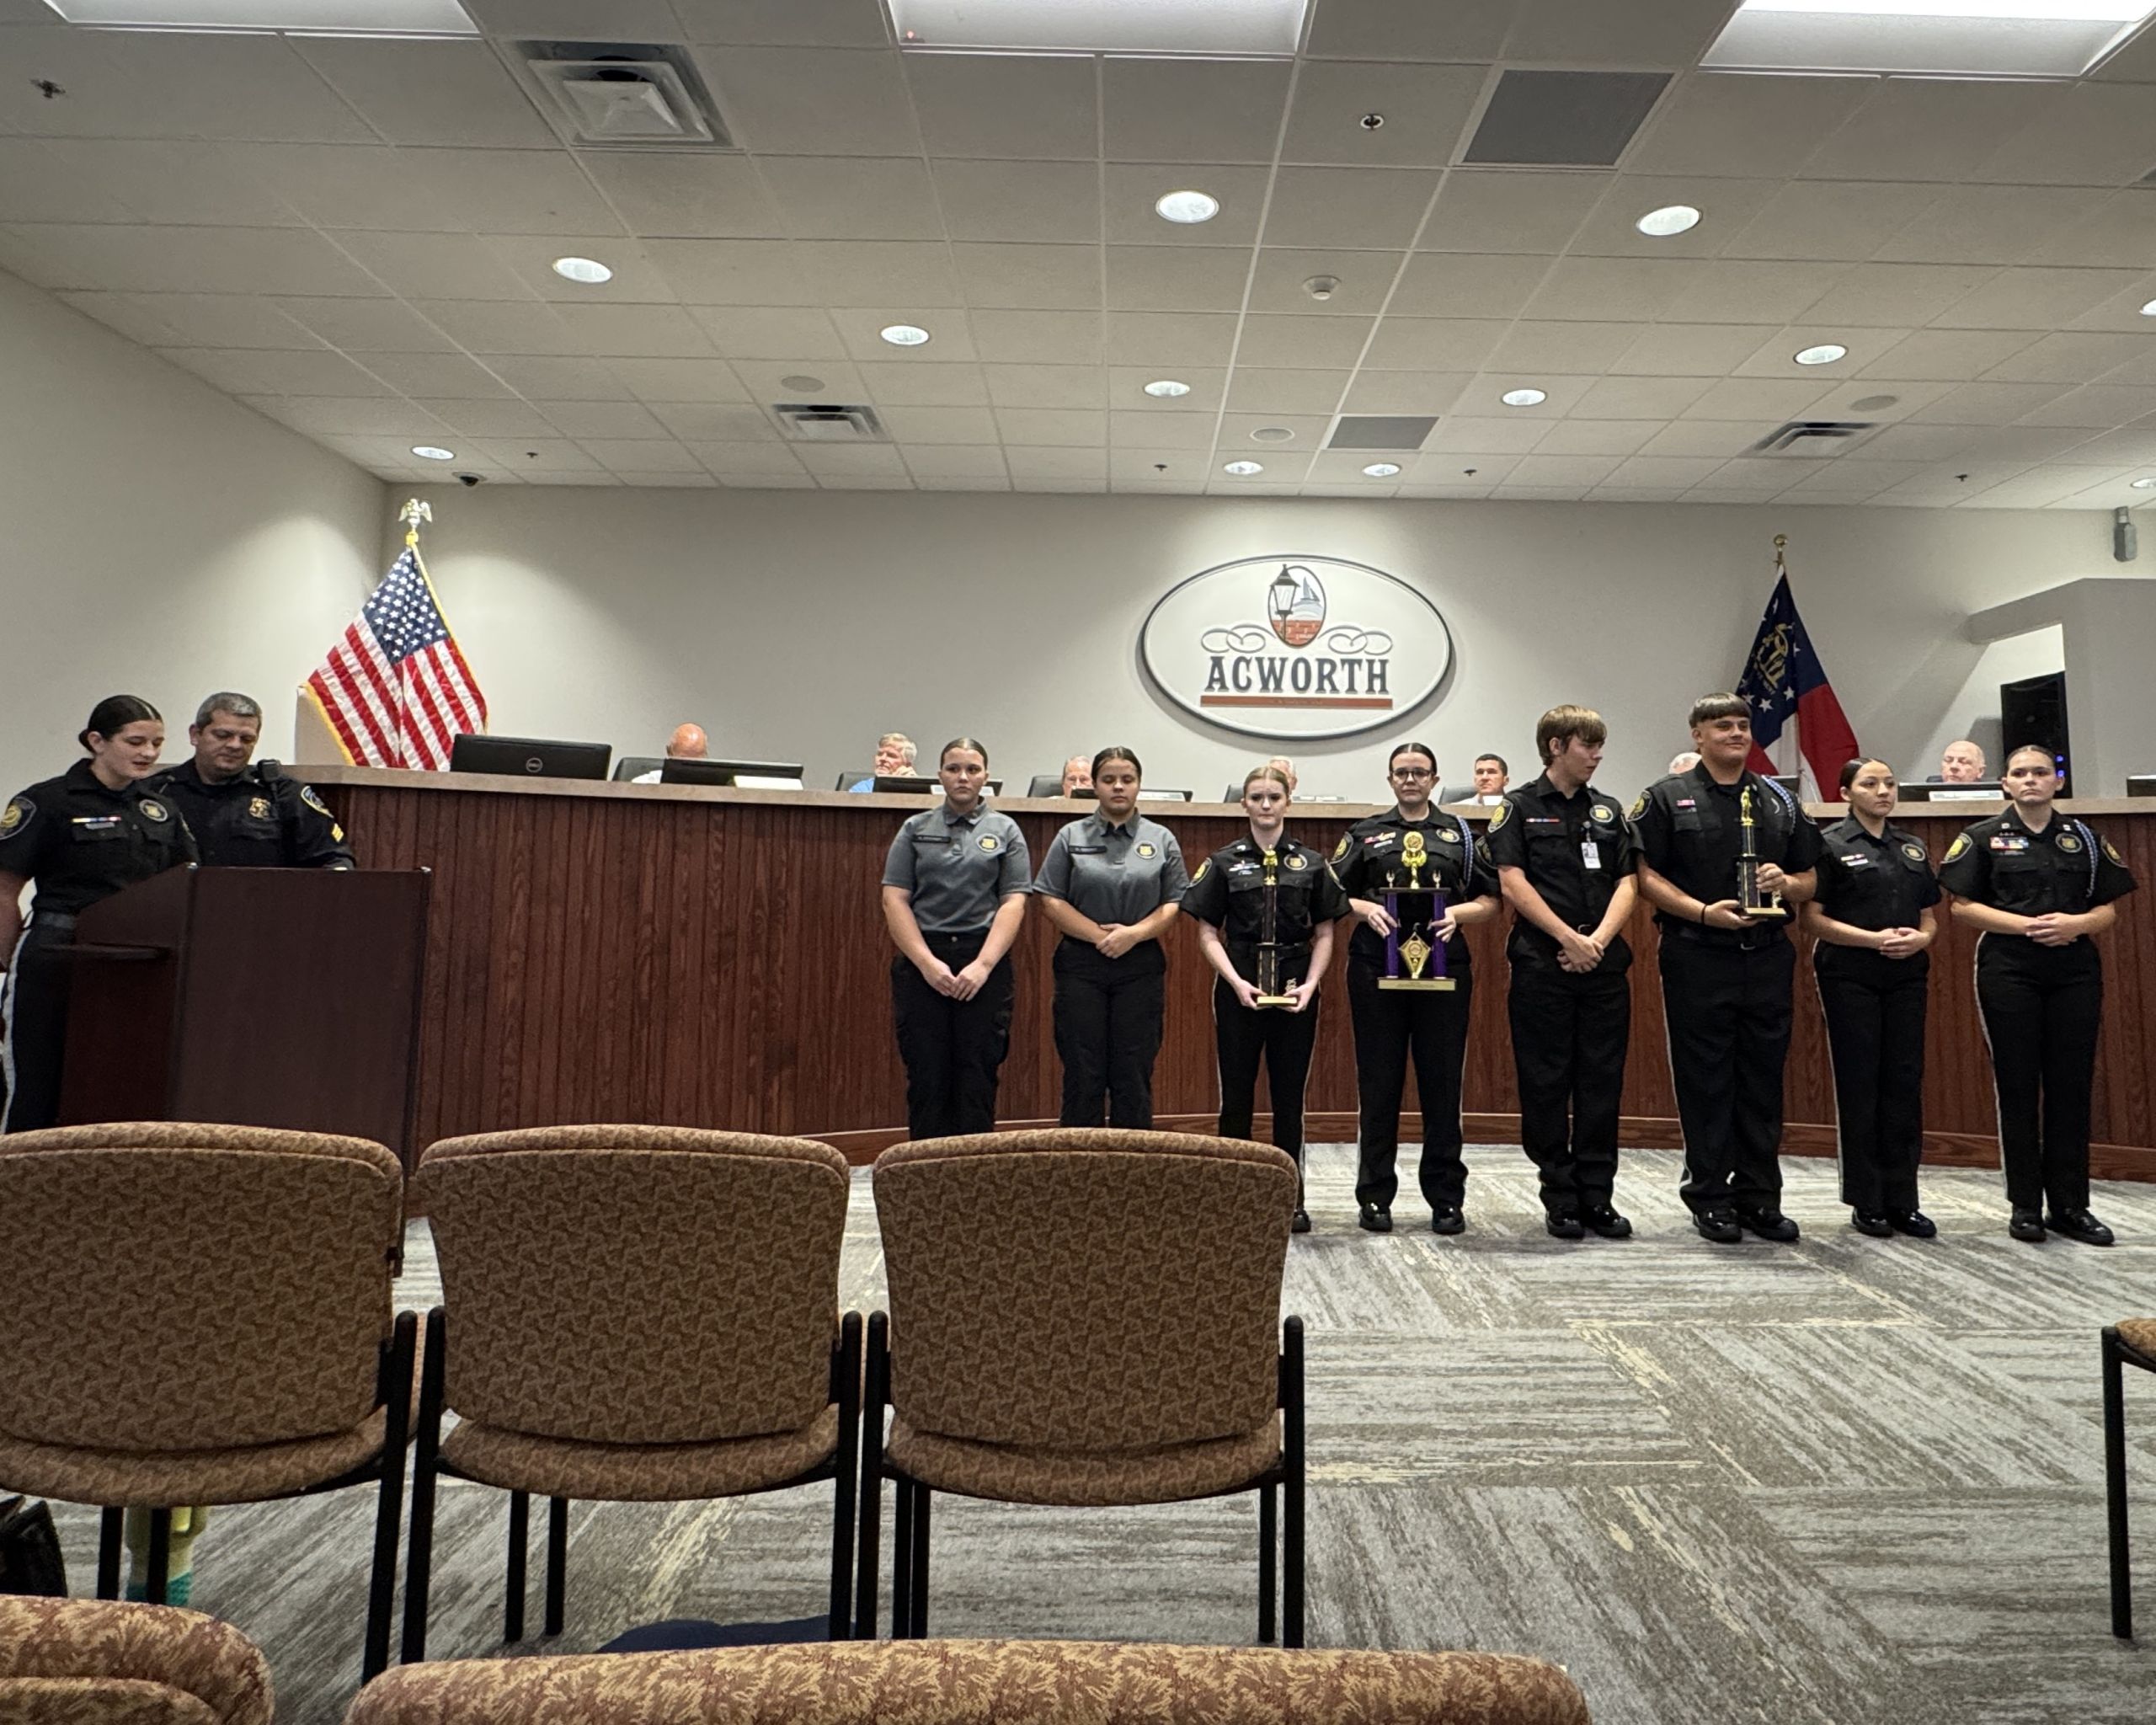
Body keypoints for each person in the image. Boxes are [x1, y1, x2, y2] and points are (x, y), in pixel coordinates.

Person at [1632, 693, 1822, 1243]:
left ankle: (1761, 1197)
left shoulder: (1779, 801)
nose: (1736, 734)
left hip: (1766, 955)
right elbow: (1644, 876)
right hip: (1697, 953)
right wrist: (1701, 912)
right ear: (1697, 735)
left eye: (1743, 725)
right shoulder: (1667, 799)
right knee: (1706, 1080)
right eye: (1723, 726)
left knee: (1763, 1080)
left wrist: (1785, 885)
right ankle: (1710, 1196)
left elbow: (1812, 877)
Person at [1938, 742, 2137, 1245]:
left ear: (2057, 782)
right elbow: (1961, 907)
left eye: (2041, 772)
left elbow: (2108, 911)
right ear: (2004, 783)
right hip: (2010, 968)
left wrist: (2077, 923)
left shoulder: (2086, 840)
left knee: (2072, 1086)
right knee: (2018, 1084)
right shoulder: (1981, 837)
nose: (2030, 779)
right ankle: (2025, 1204)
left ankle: (2071, 1204)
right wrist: (2028, 927)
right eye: (2020, 773)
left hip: (2074, 968)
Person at [0, 697, 199, 1134]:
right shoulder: (48, 801)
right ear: (97, 741)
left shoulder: (161, 808)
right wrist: (7, 954)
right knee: (36, 1080)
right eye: (136, 742)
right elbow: (5, 884)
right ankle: (16, 1187)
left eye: (157, 743)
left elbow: (186, 879)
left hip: (139, 961)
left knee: (117, 1077)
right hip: (57, 952)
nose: (148, 753)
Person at [1331, 743, 1500, 1235]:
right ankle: (1375, 1196)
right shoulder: (1365, 834)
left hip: (1444, 971)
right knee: (1378, 1085)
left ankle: (1446, 1197)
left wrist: (1457, 915)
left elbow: (1491, 900)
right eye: (1401, 773)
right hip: (1375, 970)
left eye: (1419, 773)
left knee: (1443, 1085)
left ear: (1433, 778)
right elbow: (1332, 893)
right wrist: (1366, 910)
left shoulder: (1462, 835)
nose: (1410, 780)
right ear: (1390, 781)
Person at [1484, 706, 1638, 1241]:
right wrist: (1566, 938)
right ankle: (1560, 1194)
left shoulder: (1610, 811)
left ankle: (1598, 1196)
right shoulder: (1518, 807)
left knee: (1602, 1081)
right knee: (1546, 1081)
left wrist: (1596, 941)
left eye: (1599, 746)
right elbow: (1511, 881)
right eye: (1586, 746)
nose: (1596, 755)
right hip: (1543, 965)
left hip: (1602, 966)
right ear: (1555, 746)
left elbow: (1628, 882)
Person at [1180, 764, 1348, 1233]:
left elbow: (1326, 932)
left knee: (1289, 1099)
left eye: (1275, 796)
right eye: (1257, 797)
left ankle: (1290, 1199)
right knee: (1236, 1097)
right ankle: (1231, 1197)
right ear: (1245, 804)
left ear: (1288, 801)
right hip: (1240, 988)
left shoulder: (1312, 864)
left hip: (1296, 991)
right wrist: (1235, 981)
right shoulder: (1222, 862)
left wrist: (1313, 985)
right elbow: (1208, 933)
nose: (1267, 804)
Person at [1801, 758, 1940, 1240]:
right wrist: (1871, 940)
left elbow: (1929, 917)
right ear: (1846, 792)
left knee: (1904, 1082)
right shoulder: (1830, 844)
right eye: (1870, 784)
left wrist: (1920, 940)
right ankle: (1867, 1199)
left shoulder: (1912, 847)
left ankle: (1904, 1198)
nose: (1883, 791)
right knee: (1861, 1083)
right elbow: (1812, 920)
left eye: (1889, 782)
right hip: (1850, 973)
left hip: (1906, 973)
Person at [880, 738, 1029, 1140]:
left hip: (983, 963)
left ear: (985, 776)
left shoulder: (1005, 831)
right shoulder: (915, 829)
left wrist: (982, 965)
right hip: (923, 962)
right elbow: (894, 899)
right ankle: (922, 1179)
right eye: (953, 768)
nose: (963, 777)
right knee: (927, 1073)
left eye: (973, 769)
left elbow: (1014, 901)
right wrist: (928, 965)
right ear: (940, 774)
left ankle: (973, 1180)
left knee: (977, 1073)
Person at [1033, 746, 1190, 1127]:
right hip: (1081, 965)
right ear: (1095, 786)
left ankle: (1132, 1173)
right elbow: (1050, 899)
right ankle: (1079, 1169)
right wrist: (1100, 937)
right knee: (1083, 1071)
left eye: (1127, 779)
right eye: (1108, 780)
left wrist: (1133, 935)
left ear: (1138, 785)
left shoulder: (1161, 838)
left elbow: (1174, 902)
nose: (1118, 787)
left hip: (1139, 964)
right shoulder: (1070, 836)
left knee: (1133, 1071)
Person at [154, 692, 355, 869]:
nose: (235, 745)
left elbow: (334, 859)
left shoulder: (281, 793)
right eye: (223, 735)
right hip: (176, 908)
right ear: (195, 734)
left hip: (260, 906)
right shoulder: (158, 791)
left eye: (247, 739)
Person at [632, 722, 711, 784]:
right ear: (669, 753)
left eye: (697, 760)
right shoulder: (643, 785)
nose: (691, 767)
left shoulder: (717, 790)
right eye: (684, 760)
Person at [851, 733, 918, 793]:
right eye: (880, 754)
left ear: (907, 765)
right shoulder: (862, 789)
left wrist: (914, 785)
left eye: (891, 755)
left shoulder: (918, 790)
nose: (882, 759)